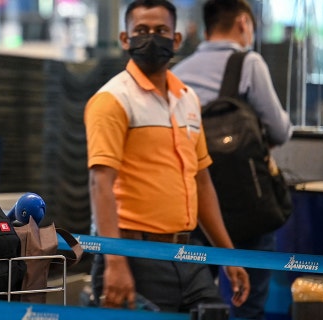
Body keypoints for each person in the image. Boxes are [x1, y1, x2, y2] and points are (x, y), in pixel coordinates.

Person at [83, 0, 251, 314]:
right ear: (125, 39)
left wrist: (228, 255)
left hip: (188, 254)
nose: (151, 37)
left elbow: (201, 183)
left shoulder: (187, 99)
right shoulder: (112, 100)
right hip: (134, 254)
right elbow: (100, 184)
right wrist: (115, 261)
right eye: (141, 30)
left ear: (176, 39)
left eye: (161, 30)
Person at [171, 1, 293, 319]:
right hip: (247, 205)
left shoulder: (175, 74)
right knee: (247, 302)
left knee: (196, 301)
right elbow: (280, 130)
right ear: (243, 23)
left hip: (193, 206)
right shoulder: (248, 62)